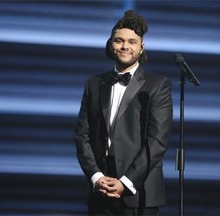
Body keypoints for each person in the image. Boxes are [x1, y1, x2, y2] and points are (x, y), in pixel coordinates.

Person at [74, 10, 173, 216]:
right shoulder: (94, 83)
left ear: (141, 47)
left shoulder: (158, 85)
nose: (125, 46)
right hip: (101, 189)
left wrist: (126, 181)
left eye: (131, 41)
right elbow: (82, 135)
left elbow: (157, 141)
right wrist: (96, 176)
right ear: (111, 44)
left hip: (140, 190)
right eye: (119, 40)